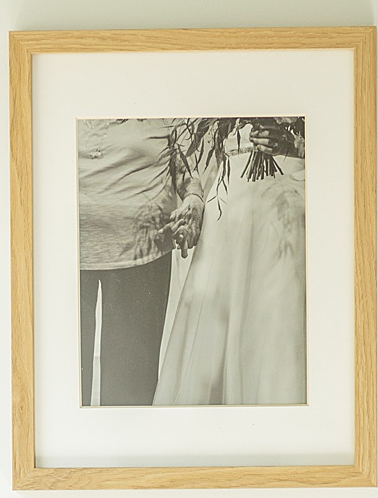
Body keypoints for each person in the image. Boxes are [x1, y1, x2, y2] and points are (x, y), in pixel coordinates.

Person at [153, 119, 308, 406]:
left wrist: (297, 143)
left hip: (290, 188)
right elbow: (196, 145)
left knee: (277, 309)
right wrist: (195, 198)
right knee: (215, 313)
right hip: (229, 194)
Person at [76, 117, 205, 405]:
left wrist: (194, 203)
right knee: (55, 394)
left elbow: (188, 172)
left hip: (142, 253)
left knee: (129, 398)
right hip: (62, 256)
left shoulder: (160, 97)